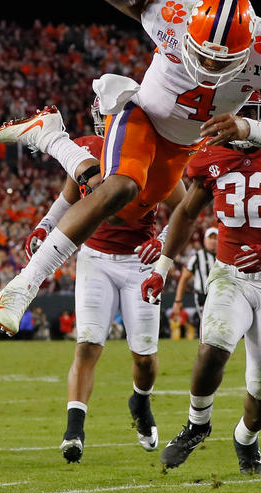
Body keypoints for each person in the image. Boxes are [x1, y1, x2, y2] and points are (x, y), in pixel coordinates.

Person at [0, 0, 261, 337]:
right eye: (201, 54)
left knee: (121, 207)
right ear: (189, 31)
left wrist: (247, 128)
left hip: (182, 145)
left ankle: (52, 138)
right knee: (118, 187)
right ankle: (24, 285)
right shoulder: (171, 11)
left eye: (219, 62)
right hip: (142, 114)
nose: (205, 66)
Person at [152, 94, 261, 475]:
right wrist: (162, 267)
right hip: (230, 274)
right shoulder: (210, 156)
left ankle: (245, 437)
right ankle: (197, 424)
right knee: (213, 345)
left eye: (248, 114)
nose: (238, 121)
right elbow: (184, 215)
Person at [22, 115, 185, 463]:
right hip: (95, 257)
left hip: (139, 261)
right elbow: (68, 197)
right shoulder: (84, 150)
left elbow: (184, 207)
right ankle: (74, 430)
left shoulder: (151, 149)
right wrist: (45, 225)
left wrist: (163, 241)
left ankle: (140, 402)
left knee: (144, 357)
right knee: (87, 345)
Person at [175, 229, 217, 321]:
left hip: (221, 295)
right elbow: (184, 278)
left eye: (216, 238)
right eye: (210, 238)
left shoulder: (224, 256)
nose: (213, 241)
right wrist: (178, 300)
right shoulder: (197, 257)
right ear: (205, 240)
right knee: (207, 322)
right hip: (203, 296)